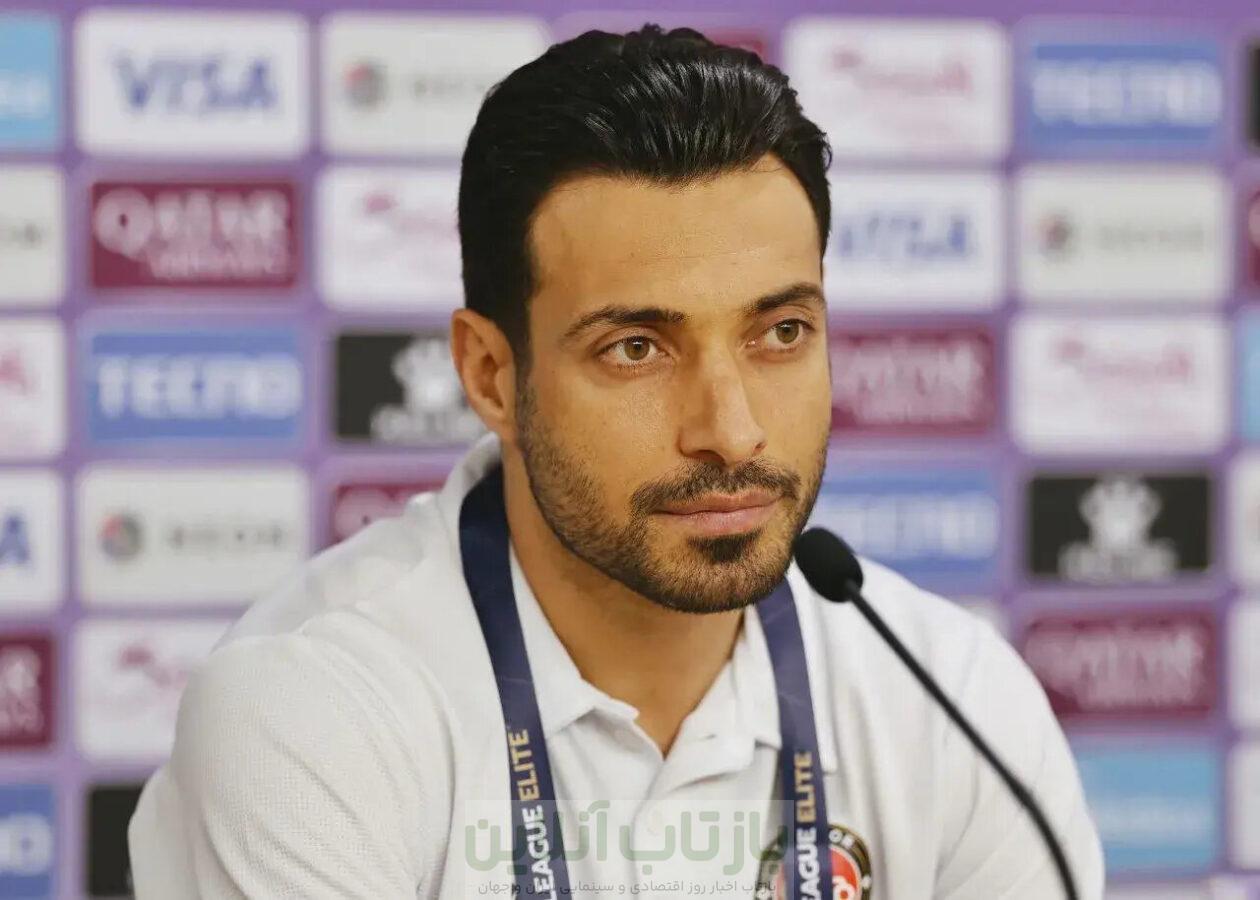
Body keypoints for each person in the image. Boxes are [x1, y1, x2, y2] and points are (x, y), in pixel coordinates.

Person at [128, 25, 1104, 899]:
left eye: (780, 332)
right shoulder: (312, 712)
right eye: (637, 348)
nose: (732, 432)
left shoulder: (952, 699)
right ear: (490, 373)